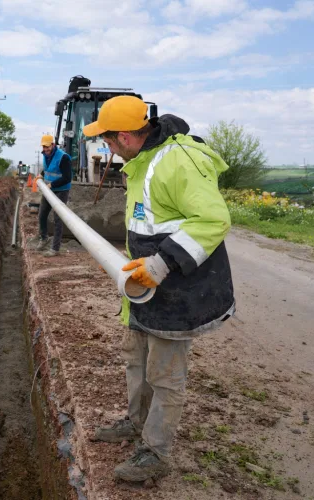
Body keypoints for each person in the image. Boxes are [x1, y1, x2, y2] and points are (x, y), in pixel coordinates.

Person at [82, 96, 235, 482]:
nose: (106, 148)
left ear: (124, 137)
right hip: (145, 288)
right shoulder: (140, 163)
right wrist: (130, 266)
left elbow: (213, 220)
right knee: (136, 360)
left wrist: (160, 264)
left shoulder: (178, 160)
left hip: (178, 290)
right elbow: (150, 225)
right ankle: (136, 422)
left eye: (107, 140)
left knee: (165, 375)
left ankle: (156, 452)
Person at [35, 134, 72, 257]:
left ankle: (55, 249)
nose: (45, 149)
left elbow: (67, 178)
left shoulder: (63, 157)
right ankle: (44, 238)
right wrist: (41, 174)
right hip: (49, 190)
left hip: (61, 190)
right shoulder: (45, 155)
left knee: (58, 219)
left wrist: (52, 185)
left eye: (47, 146)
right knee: (42, 215)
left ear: (53, 145)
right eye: (44, 147)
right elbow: (49, 169)